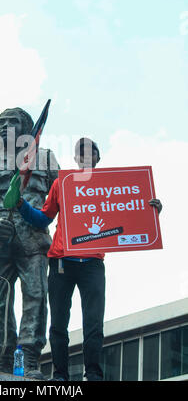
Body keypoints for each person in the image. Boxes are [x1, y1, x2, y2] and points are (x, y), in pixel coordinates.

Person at [16, 138, 162, 381]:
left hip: (93, 263)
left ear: (97, 157)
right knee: (59, 323)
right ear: (75, 158)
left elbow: (133, 209)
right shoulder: (63, 183)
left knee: (93, 322)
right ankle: (60, 375)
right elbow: (44, 218)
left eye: (89, 151)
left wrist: (151, 211)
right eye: (79, 152)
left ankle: (93, 373)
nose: (83, 155)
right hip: (62, 261)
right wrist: (20, 205)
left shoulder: (114, 186)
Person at [0, 107, 59, 380]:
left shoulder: (44, 159)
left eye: (14, 122)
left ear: (28, 129)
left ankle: (30, 359)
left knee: (35, 298)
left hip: (33, 241)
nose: (6, 126)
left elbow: (71, 198)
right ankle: (3, 361)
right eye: (1, 122)